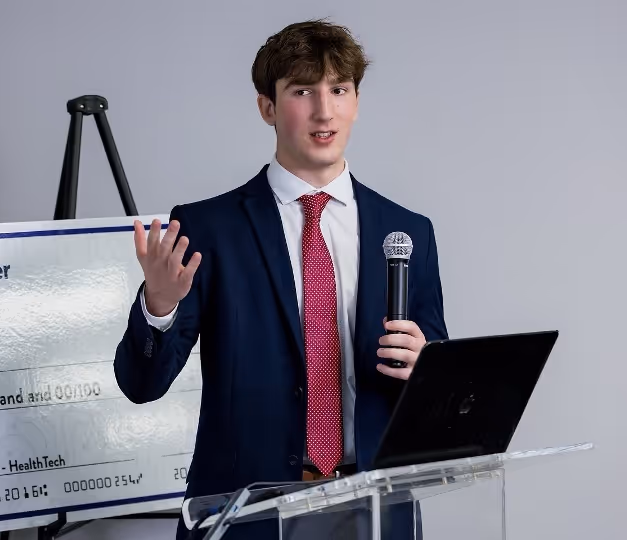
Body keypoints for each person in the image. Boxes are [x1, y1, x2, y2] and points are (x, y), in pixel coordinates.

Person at [114, 19, 448, 540]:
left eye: (339, 90)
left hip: (377, 512)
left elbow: (437, 386)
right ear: (267, 107)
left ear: (357, 101)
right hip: (247, 517)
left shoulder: (408, 232)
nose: (324, 110)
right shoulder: (208, 229)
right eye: (302, 91)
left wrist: (426, 366)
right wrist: (158, 306)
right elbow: (141, 386)